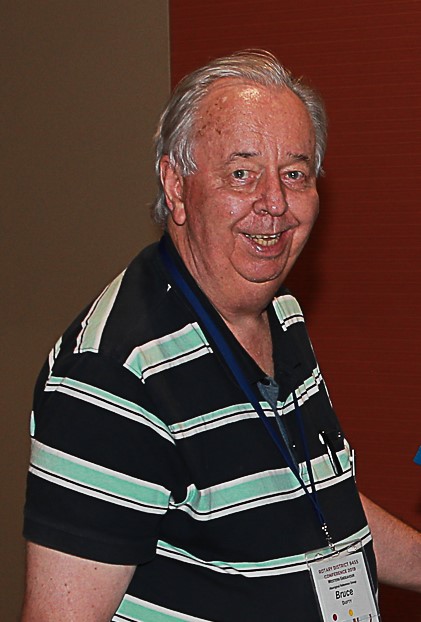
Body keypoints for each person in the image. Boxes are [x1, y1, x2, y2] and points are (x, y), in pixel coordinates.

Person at [21, 50, 421, 622]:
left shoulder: (280, 313)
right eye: (241, 174)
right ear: (176, 187)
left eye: (294, 174)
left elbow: (306, 501)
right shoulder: (113, 375)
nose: (274, 204)